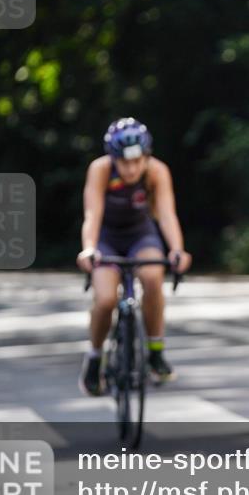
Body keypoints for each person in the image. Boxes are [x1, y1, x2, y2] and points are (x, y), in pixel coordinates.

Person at [76, 117, 192, 396]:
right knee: (105, 299)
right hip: (108, 238)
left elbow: (166, 214)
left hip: (141, 235)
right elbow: (92, 214)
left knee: (153, 277)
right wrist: (89, 248)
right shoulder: (100, 170)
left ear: (146, 156)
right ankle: (94, 358)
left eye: (137, 161)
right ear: (113, 158)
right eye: (125, 162)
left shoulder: (157, 171)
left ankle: (155, 351)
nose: (131, 169)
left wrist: (177, 249)